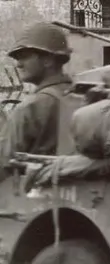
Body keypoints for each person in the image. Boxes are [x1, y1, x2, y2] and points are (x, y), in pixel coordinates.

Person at [0, 22, 73, 166]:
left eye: (24, 57)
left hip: (35, 186)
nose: (18, 64)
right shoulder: (82, 95)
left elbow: (3, 163)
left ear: (48, 60)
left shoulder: (30, 108)